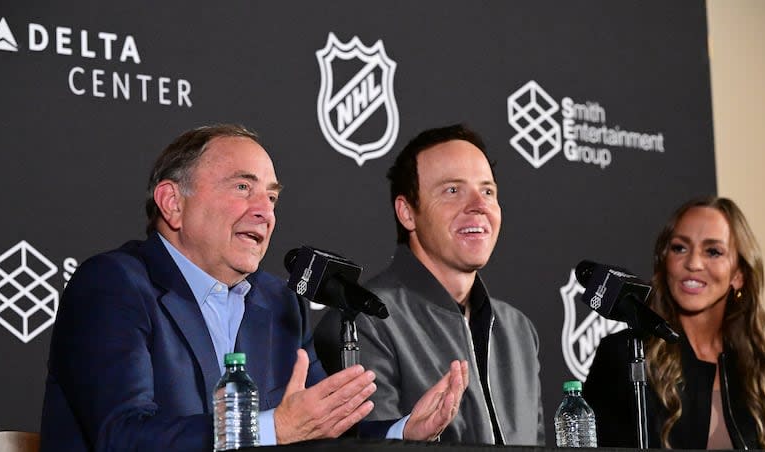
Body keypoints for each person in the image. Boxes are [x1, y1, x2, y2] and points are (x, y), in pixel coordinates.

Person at [39, 124, 469, 451]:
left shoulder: (279, 302)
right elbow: (122, 436)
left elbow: (321, 425)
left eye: (272, 198)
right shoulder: (113, 286)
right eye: (243, 187)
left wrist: (402, 431)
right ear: (173, 203)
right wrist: (272, 429)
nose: (265, 212)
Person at [315, 124, 544, 445]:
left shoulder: (518, 329)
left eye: (488, 191)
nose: (479, 204)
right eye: (453, 190)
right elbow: (370, 447)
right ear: (407, 213)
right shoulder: (363, 319)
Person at [583, 196, 765, 449]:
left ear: (738, 274)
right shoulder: (624, 355)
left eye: (713, 251)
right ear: (664, 261)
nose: (693, 263)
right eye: (680, 248)